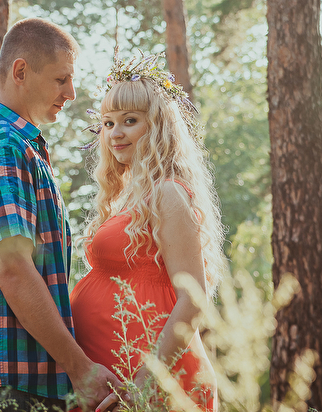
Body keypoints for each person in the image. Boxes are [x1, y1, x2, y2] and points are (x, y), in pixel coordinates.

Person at [0, 18, 120, 412]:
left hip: (10, 377)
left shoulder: (15, 145)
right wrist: (80, 368)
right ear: (21, 72)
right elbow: (13, 270)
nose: (71, 93)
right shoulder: (2, 148)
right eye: (61, 79)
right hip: (3, 379)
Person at [71, 53, 227, 411]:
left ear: (157, 126)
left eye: (130, 121)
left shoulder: (167, 193)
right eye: (108, 123)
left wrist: (148, 378)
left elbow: (193, 297)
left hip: (148, 377)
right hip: (113, 369)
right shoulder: (127, 196)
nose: (116, 133)